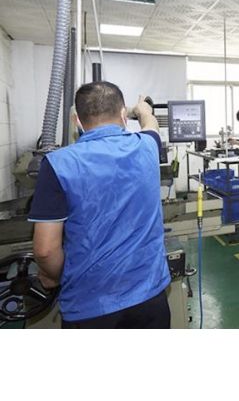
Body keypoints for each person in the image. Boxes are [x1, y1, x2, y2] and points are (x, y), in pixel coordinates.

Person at [29, 82, 172, 328]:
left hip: (89, 306)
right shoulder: (147, 146)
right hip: (149, 298)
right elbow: (151, 124)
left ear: (76, 120)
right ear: (124, 115)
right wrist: (142, 110)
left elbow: (45, 250)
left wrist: (52, 278)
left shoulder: (56, 164)